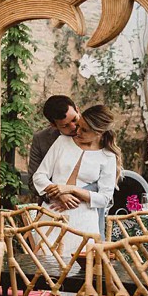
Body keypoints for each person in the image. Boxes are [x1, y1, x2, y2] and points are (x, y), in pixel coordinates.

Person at [32, 104, 122, 257]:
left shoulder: (108, 157)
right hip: (52, 217)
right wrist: (60, 194)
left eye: (84, 130)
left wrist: (71, 189)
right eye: (78, 126)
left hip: (84, 224)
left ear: (99, 132)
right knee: (45, 271)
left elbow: (104, 199)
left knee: (79, 275)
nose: (77, 131)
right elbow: (39, 176)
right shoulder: (62, 142)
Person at [27, 95, 82, 210]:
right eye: (65, 125)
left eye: (74, 120)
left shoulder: (97, 133)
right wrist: (58, 194)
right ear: (54, 125)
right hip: (52, 210)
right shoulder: (41, 139)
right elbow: (33, 182)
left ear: (78, 110)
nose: (73, 127)